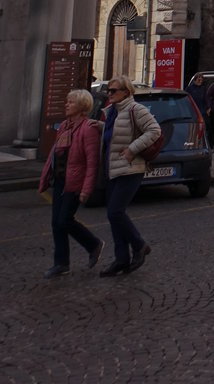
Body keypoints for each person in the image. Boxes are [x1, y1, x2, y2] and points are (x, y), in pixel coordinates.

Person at [38, 89, 105, 278]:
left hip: (75, 182)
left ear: (82, 106)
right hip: (60, 180)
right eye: (67, 101)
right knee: (56, 223)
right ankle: (61, 263)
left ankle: (93, 244)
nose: (66, 104)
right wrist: (45, 177)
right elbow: (54, 154)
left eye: (71, 102)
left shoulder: (89, 128)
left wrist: (86, 189)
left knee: (64, 220)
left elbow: (92, 163)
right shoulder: (65, 126)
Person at [99, 76, 161, 276]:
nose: (110, 94)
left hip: (130, 168)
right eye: (108, 91)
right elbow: (115, 134)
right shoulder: (110, 113)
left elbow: (155, 130)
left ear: (126, 92)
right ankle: (121, 259)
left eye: (114, 90)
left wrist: (132, 149)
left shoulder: (136, 109)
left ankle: (139, 245)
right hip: (113, 169)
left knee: (115, 212)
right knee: (114, 216)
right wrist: (97, 126)